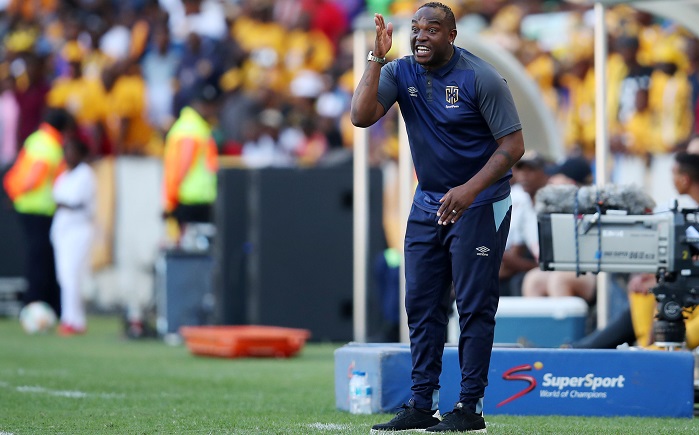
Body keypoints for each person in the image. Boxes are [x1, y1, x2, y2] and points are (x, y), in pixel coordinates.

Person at [351, 3, 524, 432]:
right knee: (421, 306)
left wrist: (469, 190)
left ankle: (470, 407)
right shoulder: (400, 71)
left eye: (432, 29)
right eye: (415, 29)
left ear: (452, 35)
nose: (421, 36)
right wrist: (376, 57)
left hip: (480, 203)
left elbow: (514, 146)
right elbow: (361, 116)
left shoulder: (480, 77)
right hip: (428, 202)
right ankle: (421, 402)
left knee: (473, 306)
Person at [2, 108, 74, 317]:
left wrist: (14, 193)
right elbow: (34, 176)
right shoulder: (49, 144)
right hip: (39, 210)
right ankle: (35, 304)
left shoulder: (37, 138)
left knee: (42, 258)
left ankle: (46, 305)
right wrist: (18, 192)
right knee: (40, 260)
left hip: (30, 208)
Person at [50, 138, 96, 336]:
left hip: (78, 230)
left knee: (71, 275)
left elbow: (73, 202)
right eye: (66, 150)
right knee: (64, 276)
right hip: (62, 230)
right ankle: (70, 318)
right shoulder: (64, 175)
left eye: (72, 151)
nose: (68, 155)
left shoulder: (85, 174)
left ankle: (73, 320)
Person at [162, 84, 220, 240]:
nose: (211, 110)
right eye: (208, 105)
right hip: (190, 199)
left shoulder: (195, 126)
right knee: (190, 251)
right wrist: (171, 201)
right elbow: (182, 166)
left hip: (196, 198)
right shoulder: (190, 129)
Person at [499, 151, 549, 297]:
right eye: (521, 169)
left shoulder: (554, 200)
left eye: (531, 170)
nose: (524, 175)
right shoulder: (521, 203)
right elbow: (515, 251)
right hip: (532, 264)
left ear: (544, 173)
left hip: (550, 266)